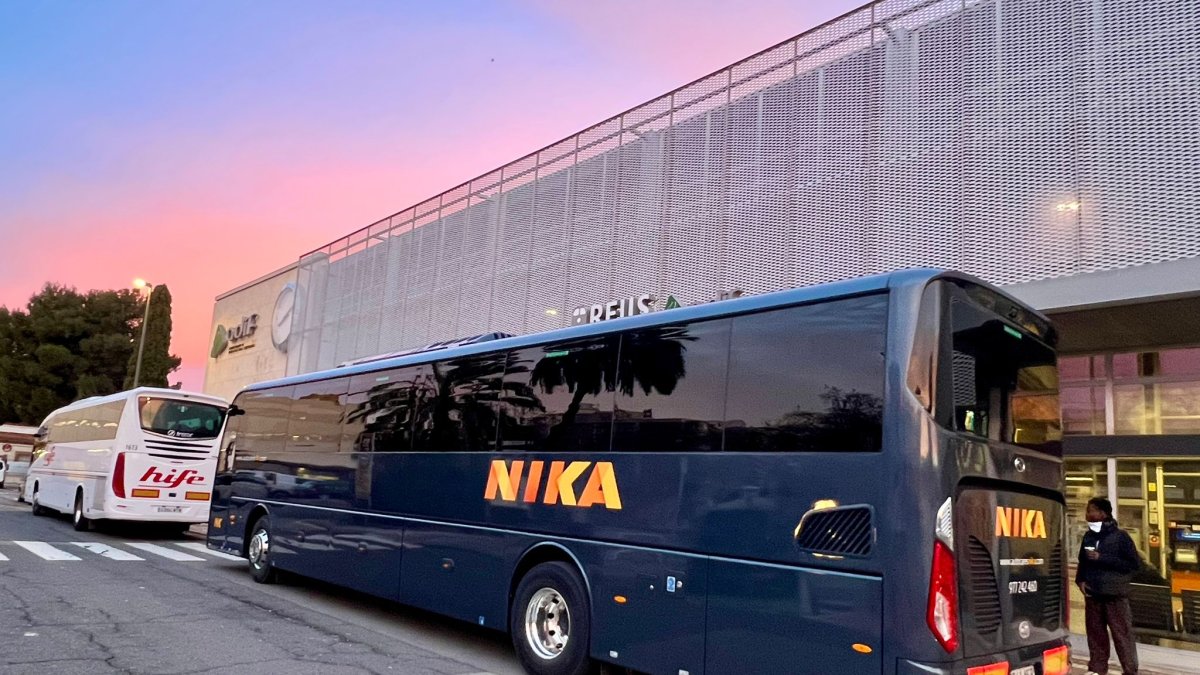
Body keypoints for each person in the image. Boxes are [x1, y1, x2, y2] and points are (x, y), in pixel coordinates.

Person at [1076, 497, 1140, 675]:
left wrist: (1102, 558)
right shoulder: (1088, 536)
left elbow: (1133, 564)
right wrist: (1080, 580)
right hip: (1093, 595)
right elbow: (1083, 561)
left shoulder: (1120, 537)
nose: (1087, 515)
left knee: (1122, 636)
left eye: (1091, 511)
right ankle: (1097, 669)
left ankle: (1130, 670)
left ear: (1103, 514)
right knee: (1095, 636)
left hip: (1115, 596)